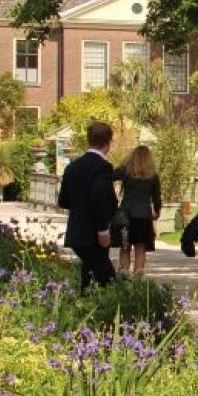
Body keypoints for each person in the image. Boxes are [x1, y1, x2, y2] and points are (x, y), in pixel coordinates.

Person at [58, 122, 119, 291]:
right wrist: (103, 230)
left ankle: (85, 303)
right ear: (108, 142)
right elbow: (99, 198)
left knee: (90, 271)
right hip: (94, 232)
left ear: (89, 140)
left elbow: (63, 200)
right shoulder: (102, 167)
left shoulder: (72, 167)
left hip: (77, 230)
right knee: (106, 278)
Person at [116, 145, 162, 277]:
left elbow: (111, 175)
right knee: (140, 249)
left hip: (125, 215)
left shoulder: (126, 172)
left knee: (125, 247)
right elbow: (156, 197)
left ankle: (124, 273)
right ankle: (138, 277)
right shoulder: (153, 176)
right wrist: (157, 212)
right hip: (143, 215)